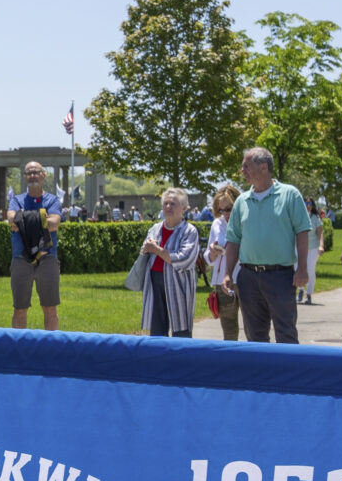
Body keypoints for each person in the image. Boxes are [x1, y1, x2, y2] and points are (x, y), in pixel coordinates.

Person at [229, 147, 314, 343]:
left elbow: (302, 232)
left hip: (281, 277)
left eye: (246, 166)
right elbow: (233, 240)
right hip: (248, 278)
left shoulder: (290, 195)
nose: (242, 170)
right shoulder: (242, 201)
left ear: (264, 167)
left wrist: (302, 269)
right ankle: (260, 374)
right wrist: (227, 272)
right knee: (254, 336)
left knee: (286, 333)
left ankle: (289, 373)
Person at [127, 188, 199, 336]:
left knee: (181, 330)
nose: (168, 207)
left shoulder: (189, 231)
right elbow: (145, 250)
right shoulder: (155, 228)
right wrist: (150, 249)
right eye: (165, 203)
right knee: (157, 330)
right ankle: (158, 359)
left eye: (173, 204)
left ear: (184, 208)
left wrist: (157, 250)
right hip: (155, 283)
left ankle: (181, 358)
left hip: (179, 285)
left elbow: (184, 259)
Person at [7, 162, 65, 330]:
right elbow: (11, 220)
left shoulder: (53, 200)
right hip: (20, 258)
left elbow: (54, 223)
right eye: (29, 173)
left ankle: (51, 348)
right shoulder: (16, 200)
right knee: (19, 308)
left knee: (50, 308)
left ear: (43, 175)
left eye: (36, 172)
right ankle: (19, 349)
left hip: (48, 258)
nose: (32, 175)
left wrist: (23, 219)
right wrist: (42, 217)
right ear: (24, 177)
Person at [207, 185, 242, 342]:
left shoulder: (246, 221)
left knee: (252, 326)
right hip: (222, 281)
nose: (225, 213)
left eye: (228, 209)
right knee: (229, 328)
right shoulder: (217, 224)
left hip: (244, 278)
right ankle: (232, 362)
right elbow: (208, 258)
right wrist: (212, 253)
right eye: (221, 210)